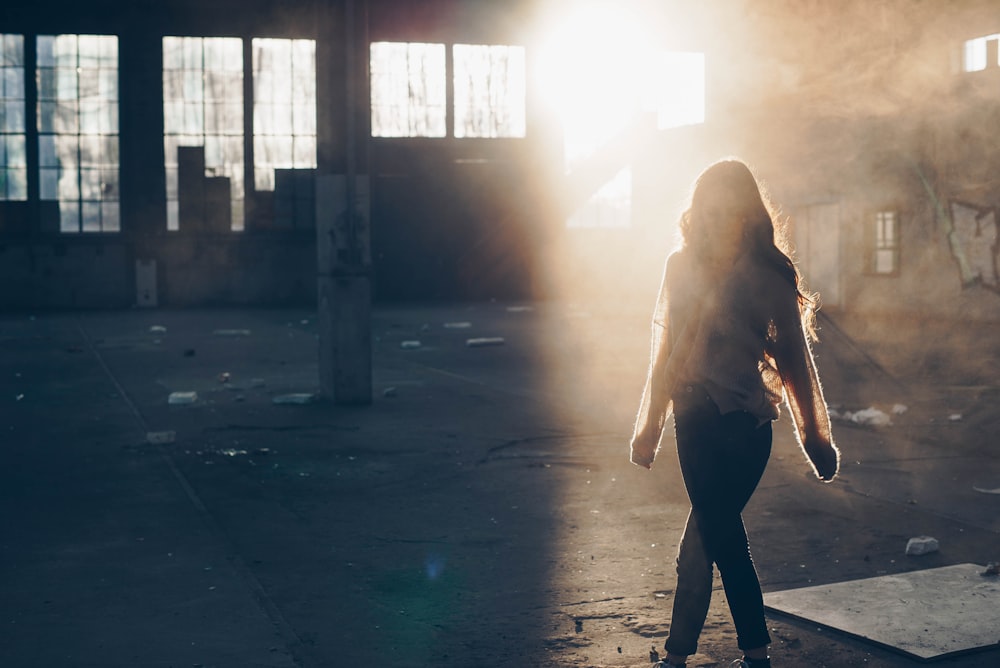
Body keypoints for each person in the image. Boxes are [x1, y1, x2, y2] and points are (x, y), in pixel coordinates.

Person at [628, 158, 840, 668]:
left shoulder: (769, 276)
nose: (717, 220)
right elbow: (666, 352)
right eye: (708, 210)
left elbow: (795, 362)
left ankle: (691, 655)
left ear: (748, 216)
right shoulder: (680, 268)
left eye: (729, 211)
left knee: (712, 534)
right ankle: (749, 656)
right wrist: (650, 428)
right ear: (696, 213)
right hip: (694, 424)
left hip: (745, 428)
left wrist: (816, 442)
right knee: (712, 535)